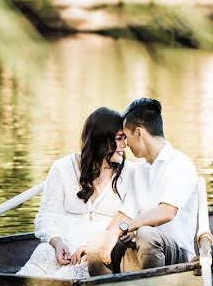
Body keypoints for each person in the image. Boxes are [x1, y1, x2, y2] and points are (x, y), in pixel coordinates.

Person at [80, 97, 198, 275]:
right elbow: (124, 215)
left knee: (146, 234)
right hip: (143, 253)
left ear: (139, 133)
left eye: (126, 137)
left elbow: (167, 212)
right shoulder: (140, 172)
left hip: (176, 257)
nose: (125, 145)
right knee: (99, 242)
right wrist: (105, 237)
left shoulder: (180, 164)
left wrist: (127, 228)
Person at [17, 107, 131, 279]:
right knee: (31, 273)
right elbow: (47, 216)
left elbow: (133, 220)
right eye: (119, 139)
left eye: (125, 139)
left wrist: (94, 246)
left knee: (65, 280)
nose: (124, 145)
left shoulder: (130, 174)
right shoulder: (62, 168)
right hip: (62, 246)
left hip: (96, 253)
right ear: (100, 140)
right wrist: (56, 242)